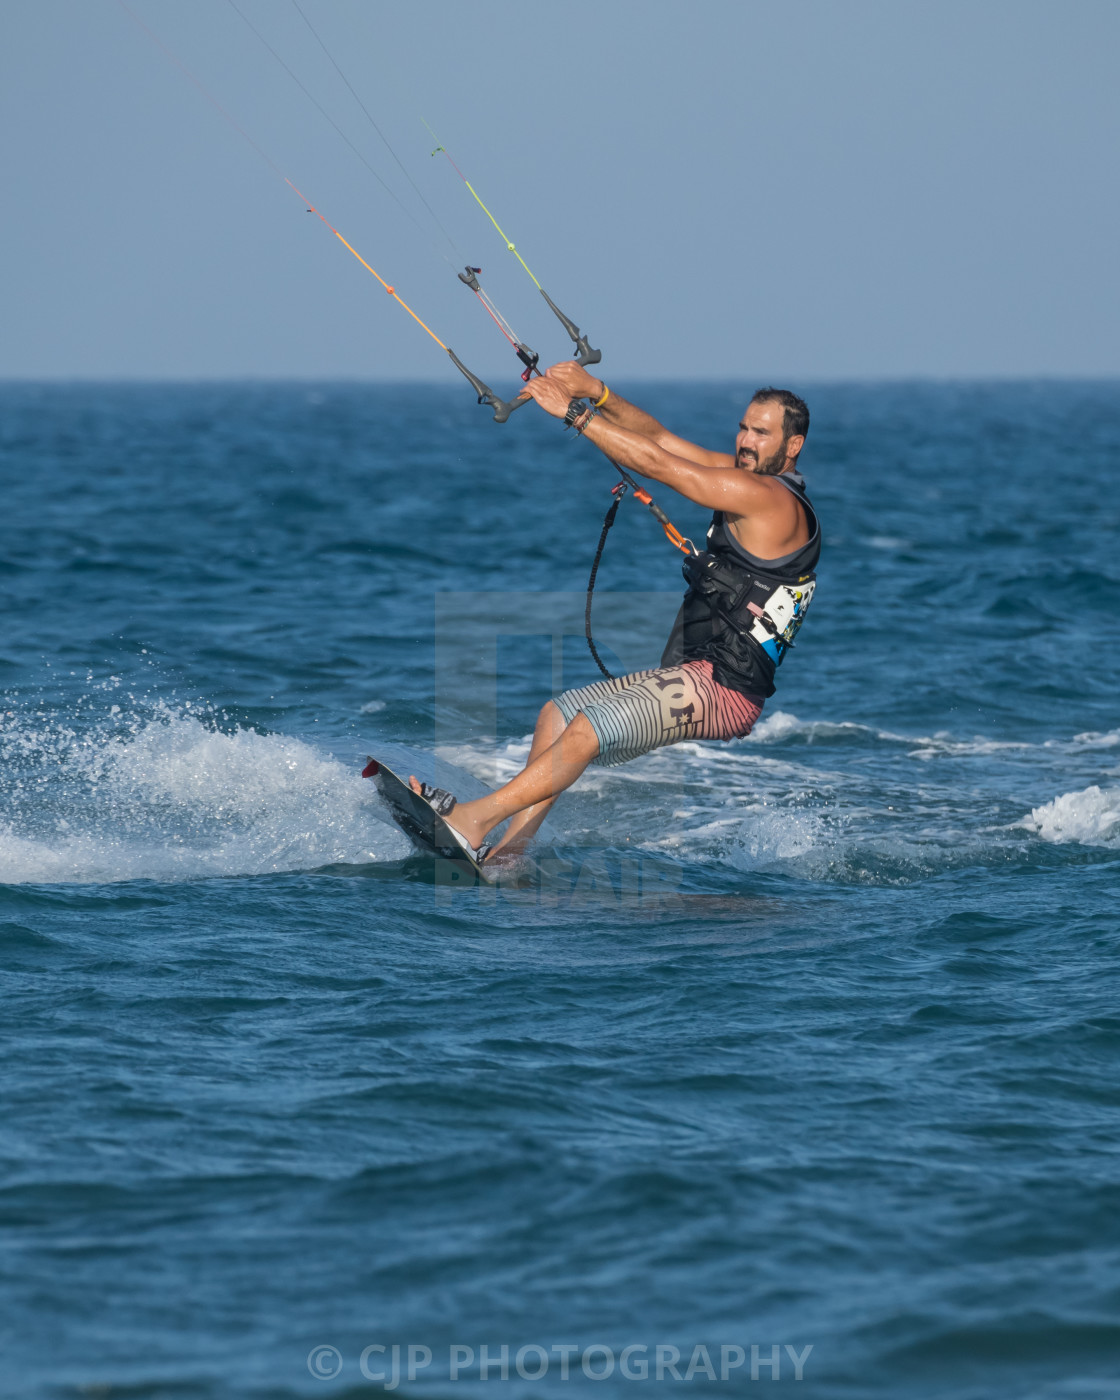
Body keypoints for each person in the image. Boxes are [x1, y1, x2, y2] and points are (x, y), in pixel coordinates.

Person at [409, 362, 820, 864]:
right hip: (698, 673)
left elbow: (664, 469)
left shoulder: (771, 499)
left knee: (587, 729)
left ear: (792, 446)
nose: (745, 440)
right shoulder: (746, 479)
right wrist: (597, 393)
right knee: (557, 716)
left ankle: (472, 820)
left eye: (761, 432)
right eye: (743, 427)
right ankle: (510, 855)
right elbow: (663, 442)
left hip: (724, 689)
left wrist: (575, 416)